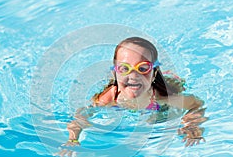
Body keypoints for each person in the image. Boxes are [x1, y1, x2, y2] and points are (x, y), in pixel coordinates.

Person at [64, 37, 207, 148]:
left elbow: (197, 103)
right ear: (115, 73)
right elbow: (81, 115)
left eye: (143, 68)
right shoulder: (112, 96)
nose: (133, 76)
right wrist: (73, 139)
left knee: (176, 84)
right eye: (124, 69)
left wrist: (192, 123)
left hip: (163, 90)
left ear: (154, 73)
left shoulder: (163, 98)